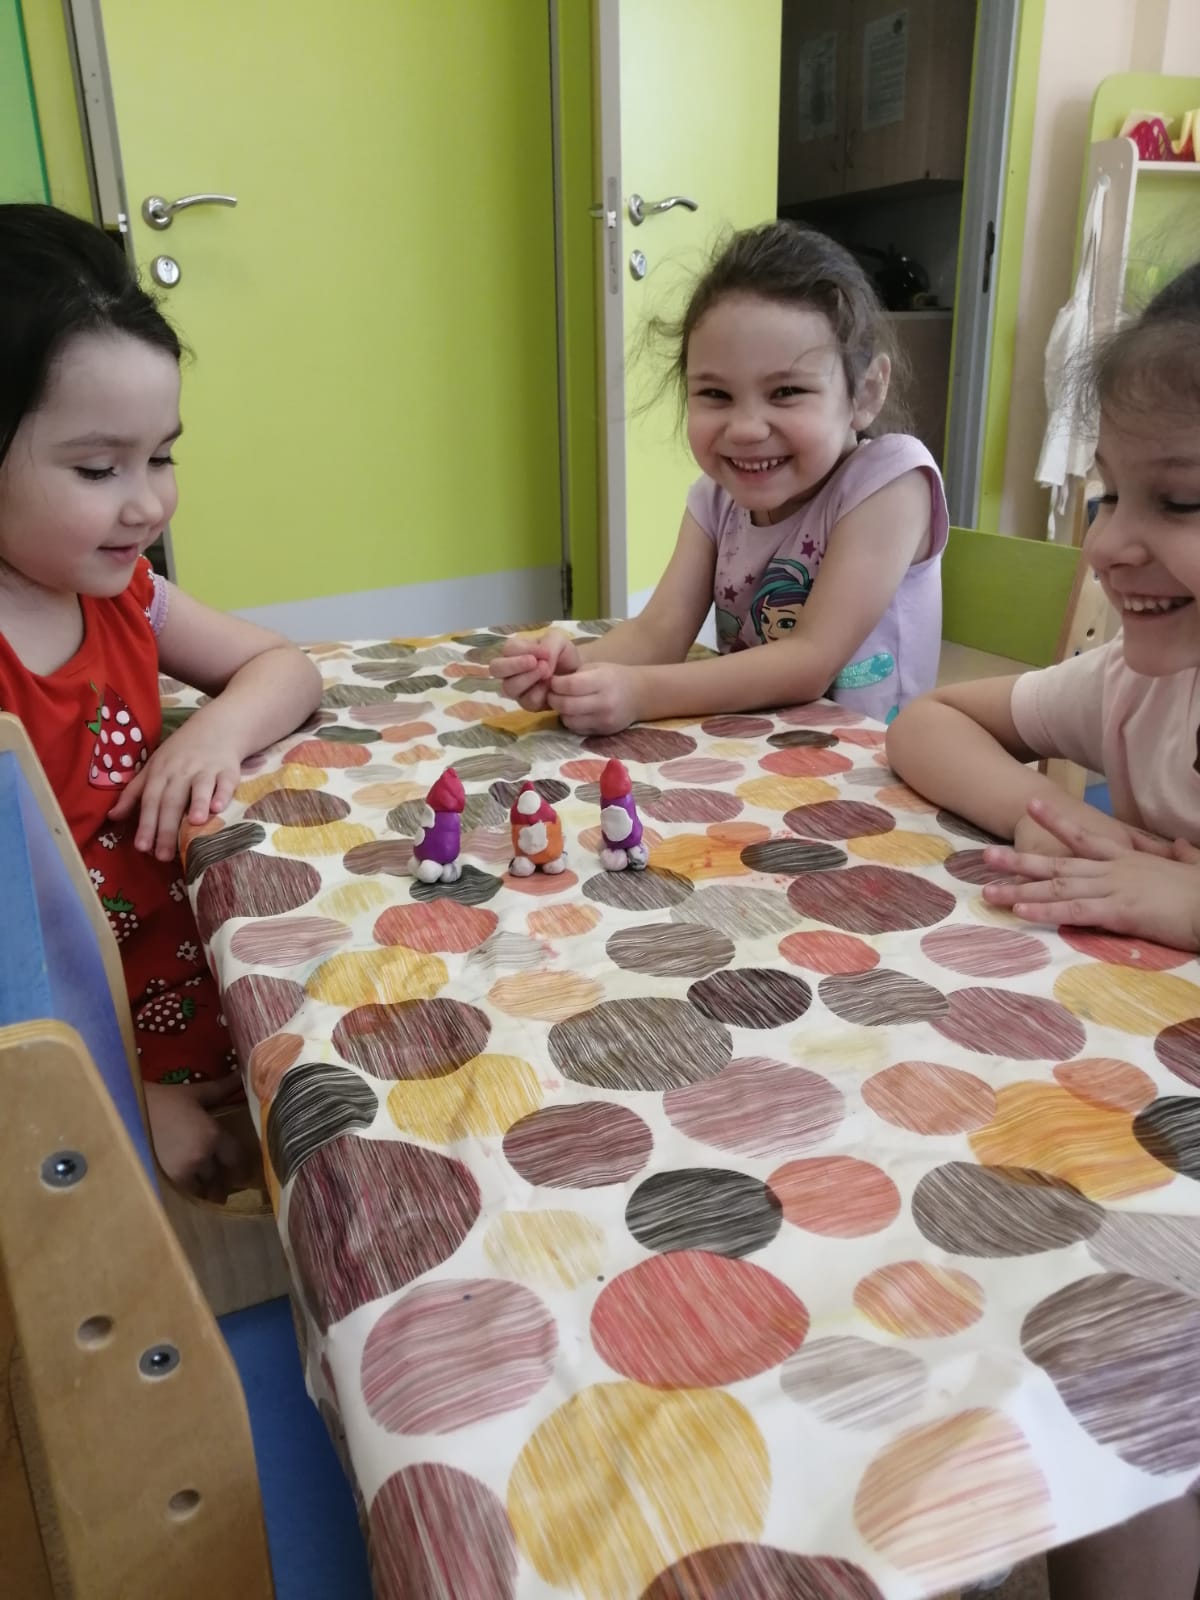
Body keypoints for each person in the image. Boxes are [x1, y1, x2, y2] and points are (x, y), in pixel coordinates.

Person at [888, 260, 1200, 1599]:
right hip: (1126, 1140)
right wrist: (1053, 818)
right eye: (1110, 494)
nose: (1112, 543)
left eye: (1179, 501)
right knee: (1075, 1356)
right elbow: (925, 722)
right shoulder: (1138, 685)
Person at [0, 204, 322, 1195]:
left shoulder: (124, 593)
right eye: (100, 468)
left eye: (162, 456)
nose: (147, 503)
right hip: (69, 1074)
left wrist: (213, 731)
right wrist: (126, 1097)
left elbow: (285, 667)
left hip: (192, 997)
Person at [495, 220, 947, 733]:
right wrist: (574, 667)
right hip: (750, 753)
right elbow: (659, 632)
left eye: (786, 392)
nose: (746, 428)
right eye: (716, 394)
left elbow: (809, 660)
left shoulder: (889, 482)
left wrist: (640, 692)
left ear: (865, 392)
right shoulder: (715, 500)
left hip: (871, 765)